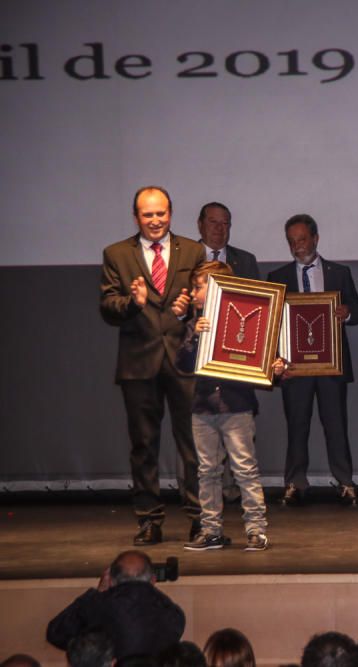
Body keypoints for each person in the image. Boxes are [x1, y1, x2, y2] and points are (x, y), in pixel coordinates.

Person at [99, 185, 203, 545]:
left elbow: (203, 300)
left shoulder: (193, 249)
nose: (155, 220)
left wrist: (189, 308)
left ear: (171, 213)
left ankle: (200, 518)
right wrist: (132, 302)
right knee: (144, 445)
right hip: (138, 364)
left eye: (161, 213)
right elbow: (107, 306)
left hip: (183, 360)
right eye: (148, 214)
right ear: (136, 217)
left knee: (193, 444)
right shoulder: (116, 254)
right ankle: (148, 519)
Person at [172, 261, 284, 552]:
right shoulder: (195, 325)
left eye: (199, 286)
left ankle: (256, 530)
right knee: (207, 471)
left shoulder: (245, 321)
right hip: (204, 408)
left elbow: (267, 360)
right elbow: (182, 364)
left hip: (236, 406)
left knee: (245, 469)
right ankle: (211, 531)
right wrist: (195, 336)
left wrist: (276, 364)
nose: (194, 293)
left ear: (220, 289)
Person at [267, 214, 358, 507]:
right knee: (296, 427)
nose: (297, 246)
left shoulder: (339, 273)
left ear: (315, 238)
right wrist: (276, 361)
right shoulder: (278, 277)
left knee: (336, 426)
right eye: (291, 241)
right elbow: (272, 326)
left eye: (301, 239)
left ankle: (345, 483)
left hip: (331, 366)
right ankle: (294, 483)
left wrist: (346, 312)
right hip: (294, 368)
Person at [195, 201, 261, 505]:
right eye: (213, 222)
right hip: (199, 378)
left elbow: (259, 315)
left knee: (245, 462)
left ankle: (250, 517)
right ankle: (204, 516)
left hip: (236, 375)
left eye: (226, 223)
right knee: (204, 464)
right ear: (200, 225)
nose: (220, 229)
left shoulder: (246, 261)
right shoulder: (186, 258)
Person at [46, 550, 185, 660]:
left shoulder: (96, 604)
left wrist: (97, 593)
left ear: (110, 580)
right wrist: (149, 589)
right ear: (153, 579)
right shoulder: (172, 613)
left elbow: (56, 633)